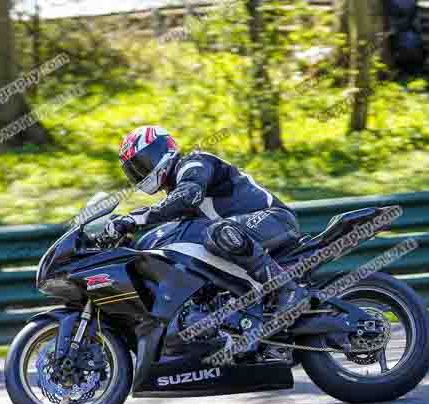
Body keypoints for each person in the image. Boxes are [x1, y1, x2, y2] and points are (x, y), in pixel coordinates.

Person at [104, 125, 308, 317]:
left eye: (143, 163)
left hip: (275, 219)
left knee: (217, 231)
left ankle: (286, 290)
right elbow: (172, 217)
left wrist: (135, 218)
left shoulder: (194, 162)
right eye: (134, 169)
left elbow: (188, 196)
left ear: (163, 150)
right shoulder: (173, 193)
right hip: (242, 235)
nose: (141, 172)